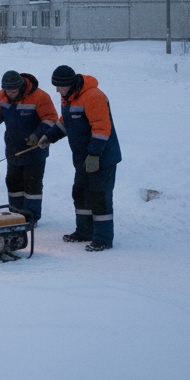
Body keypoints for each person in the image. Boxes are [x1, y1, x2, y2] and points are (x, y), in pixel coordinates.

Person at [46, 64, 122, 251]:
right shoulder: (68, 98)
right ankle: (84, 231)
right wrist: (48, 137)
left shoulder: (94, 96)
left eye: (59, 86)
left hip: (101, 158)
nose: (56, 90)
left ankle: (103, 238)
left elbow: (102, 128)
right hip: (81, 158)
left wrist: (94, 155)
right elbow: (67, 123)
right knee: (80, 193)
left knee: (99, 196)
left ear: (69, 84)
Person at [0, 70, 59, 222]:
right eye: (7, 91)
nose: (10, 94)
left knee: (32, 185)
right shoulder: (2, 95)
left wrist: (37, 135)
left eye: (13, 91)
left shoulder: (40, 96)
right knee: (13, 182)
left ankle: (31, 217)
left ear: (21, 87)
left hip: (34, 150)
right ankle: (15, 215)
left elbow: (51, 118)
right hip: (13, 149)